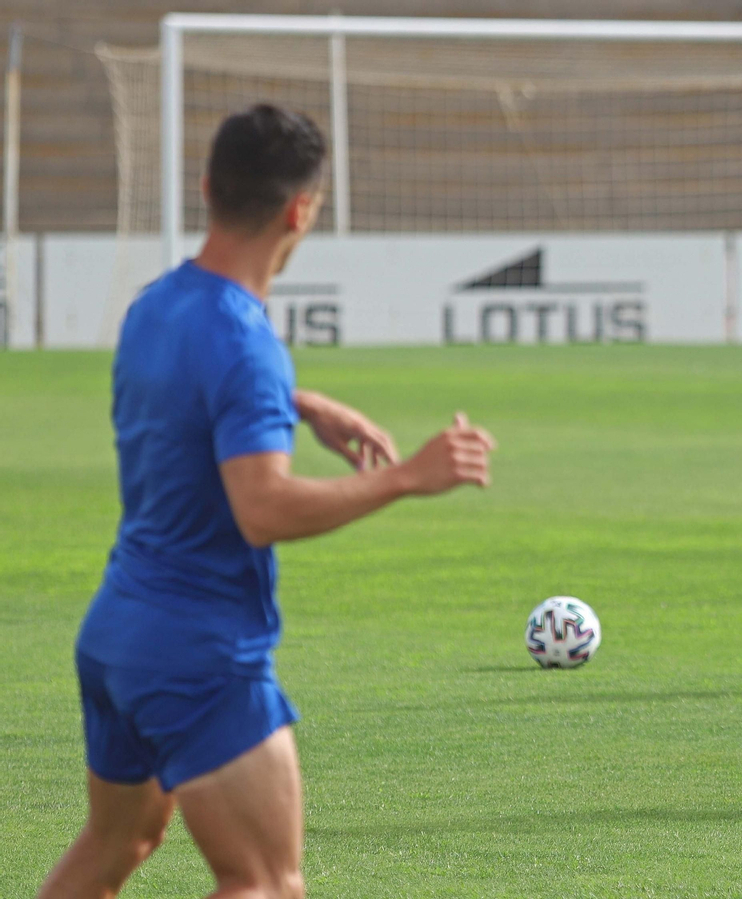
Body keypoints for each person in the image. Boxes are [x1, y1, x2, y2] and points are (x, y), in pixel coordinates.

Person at [37, 104, 497, 899]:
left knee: (119, 842)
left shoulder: (155, 306)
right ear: (302, 210)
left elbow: (185, 398)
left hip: (117, 634)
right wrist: (406, 476)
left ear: (210, 186)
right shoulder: (246, 344)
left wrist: (295, 401)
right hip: (198, 652)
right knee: (264, 882)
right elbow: (264, 509)